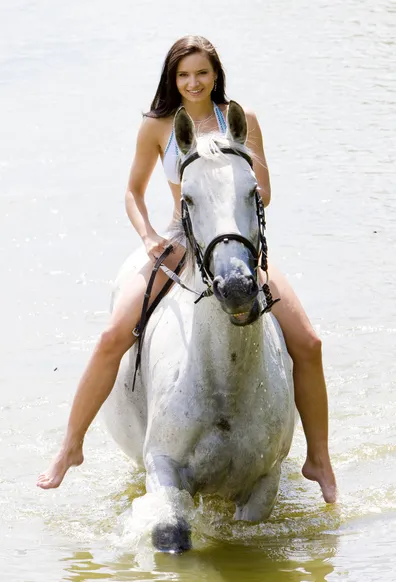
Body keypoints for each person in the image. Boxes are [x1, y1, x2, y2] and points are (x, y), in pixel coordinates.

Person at [37, 35, 337, 503]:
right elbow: (132, 193)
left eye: (202, 72)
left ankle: (318, 457)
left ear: (216, 73)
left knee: (310, 342)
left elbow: (265, 193)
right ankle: (70, 448)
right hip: (181, 239)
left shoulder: (242, 119)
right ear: (172, 79)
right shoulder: (158, 127)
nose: (193, 82)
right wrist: (149, 237)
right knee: (113, 336)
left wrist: (232, 205)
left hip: (234, 240)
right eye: (183, 75)